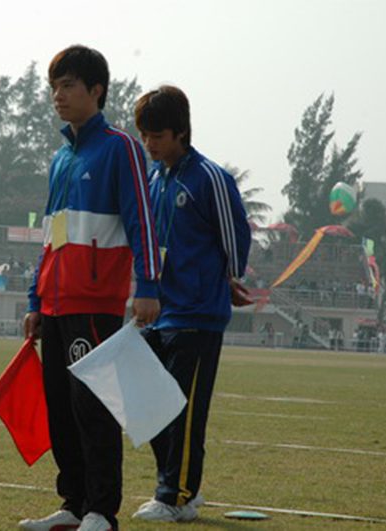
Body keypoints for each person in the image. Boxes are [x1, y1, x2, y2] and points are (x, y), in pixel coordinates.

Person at [19, 45, 160, 531]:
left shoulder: (121, 148)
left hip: (95, 303)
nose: (57, 96)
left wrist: (148, 284)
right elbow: (51, 234)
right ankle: (73, 504)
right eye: (53, 88)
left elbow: (142, 219)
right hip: (55, 305)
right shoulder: (61, 158)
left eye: (68, 86)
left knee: (93, 407)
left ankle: (101, 510)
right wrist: (35, 300)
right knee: (60, 408)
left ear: (96, 90)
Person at [131, 86, 251, 523]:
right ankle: (180, 487)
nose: (149, 144)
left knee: (183, 412)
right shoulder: (152, 179)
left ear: (180, 132)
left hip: (197, 315)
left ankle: (175, 495)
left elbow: (236, 238)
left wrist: (228, 277)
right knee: (143, 401)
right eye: (144, 135)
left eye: (157, 135)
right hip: (158, 313)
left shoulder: (209, 178)